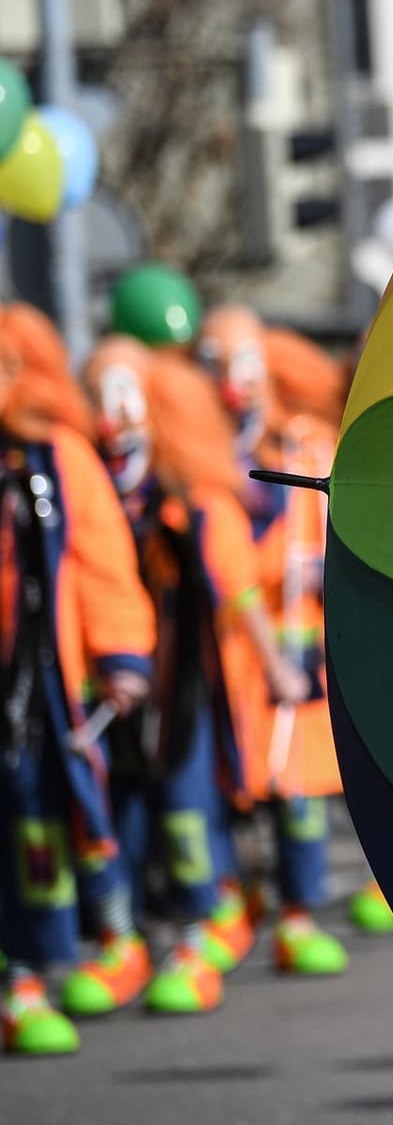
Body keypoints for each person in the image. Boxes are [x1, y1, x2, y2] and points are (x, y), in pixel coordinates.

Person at [73, 338, 306, 1014]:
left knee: (187, 807)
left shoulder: (197, 502)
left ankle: (209, 922)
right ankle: (130, 938)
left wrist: (275, 667)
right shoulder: (90, 493)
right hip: (119, 690)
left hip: (192, 691)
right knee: (123, 816)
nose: (112, 418)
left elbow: (236, 591)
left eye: (125, 398)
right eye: (100, 397)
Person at [196, 309, 375, 970]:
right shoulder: (201, 457)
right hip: (224, 656)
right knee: (223, 788)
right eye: (215, 364)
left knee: (297, 784)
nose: (231, 382)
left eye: (242, 364)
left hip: (297, 646)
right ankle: (231, 904)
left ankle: (296, 915)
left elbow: (339, 529)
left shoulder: (304, 446)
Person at [0, 306, 155, 1056]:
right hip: (9, 687)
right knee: (23, 829)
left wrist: (122, 657)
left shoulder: (62, 458)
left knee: (85, 816)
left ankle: (116, 941)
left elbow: (101, 564)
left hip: (58, 685)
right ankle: (27, 969)